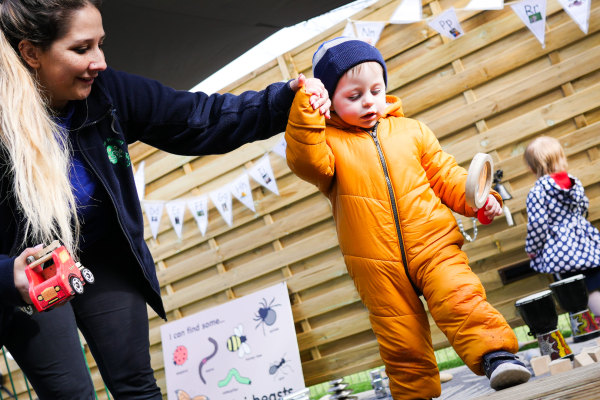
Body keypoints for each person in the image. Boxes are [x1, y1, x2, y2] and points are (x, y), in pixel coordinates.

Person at [0, 1, 329, 399]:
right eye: (82, 49)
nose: (100, 61)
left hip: (102, 256)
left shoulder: (107, 92)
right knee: (71, 394)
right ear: (31, 52)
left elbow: (198, 118)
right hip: (27, 274)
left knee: (137, 386)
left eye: (100, 44)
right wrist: (6, 275)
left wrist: (282, 101)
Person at [284, 37, 531, 399]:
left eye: (376, 90)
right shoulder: (328, 146)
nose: (369, 101)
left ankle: (497, 355)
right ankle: (415, 394)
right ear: (331, 103)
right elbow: (304, 160)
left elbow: (447, 176)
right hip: (374, 262)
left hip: (433, 242)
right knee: (400, 337)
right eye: (354, 96)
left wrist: (481, 199)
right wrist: (306, 106)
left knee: (459, 296)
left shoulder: (411, 131)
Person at [524, 136, 600, 320]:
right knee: (595, 279)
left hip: (562, 250)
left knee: (580, 290)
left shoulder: (537, 192)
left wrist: (532, 249)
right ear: (561, 158)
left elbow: (538, 224)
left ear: (533, 168)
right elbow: (583, 207)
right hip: (586, 241)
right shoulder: (574, 182)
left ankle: (589, 324)